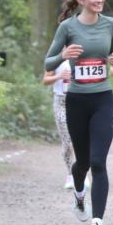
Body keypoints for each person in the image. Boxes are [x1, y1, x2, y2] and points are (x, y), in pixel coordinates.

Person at [44, 0, 113, 225]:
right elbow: (48, 63)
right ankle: (79, 194)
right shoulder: (67, 27)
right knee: (83, 163)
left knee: (98, 162)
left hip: (103, 100)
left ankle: (97, 224)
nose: (100, 0)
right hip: (77, 101)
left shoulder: (111, 24)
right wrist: (63, 56)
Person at [42, 60, 76, 189]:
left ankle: (81, 173)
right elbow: (45, 80)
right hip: (61, 102)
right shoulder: (56, 58)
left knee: (80, 141)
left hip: (78, 100)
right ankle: (70, 174)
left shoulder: (81, 54)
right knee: (67, 142)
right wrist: (59, 76)